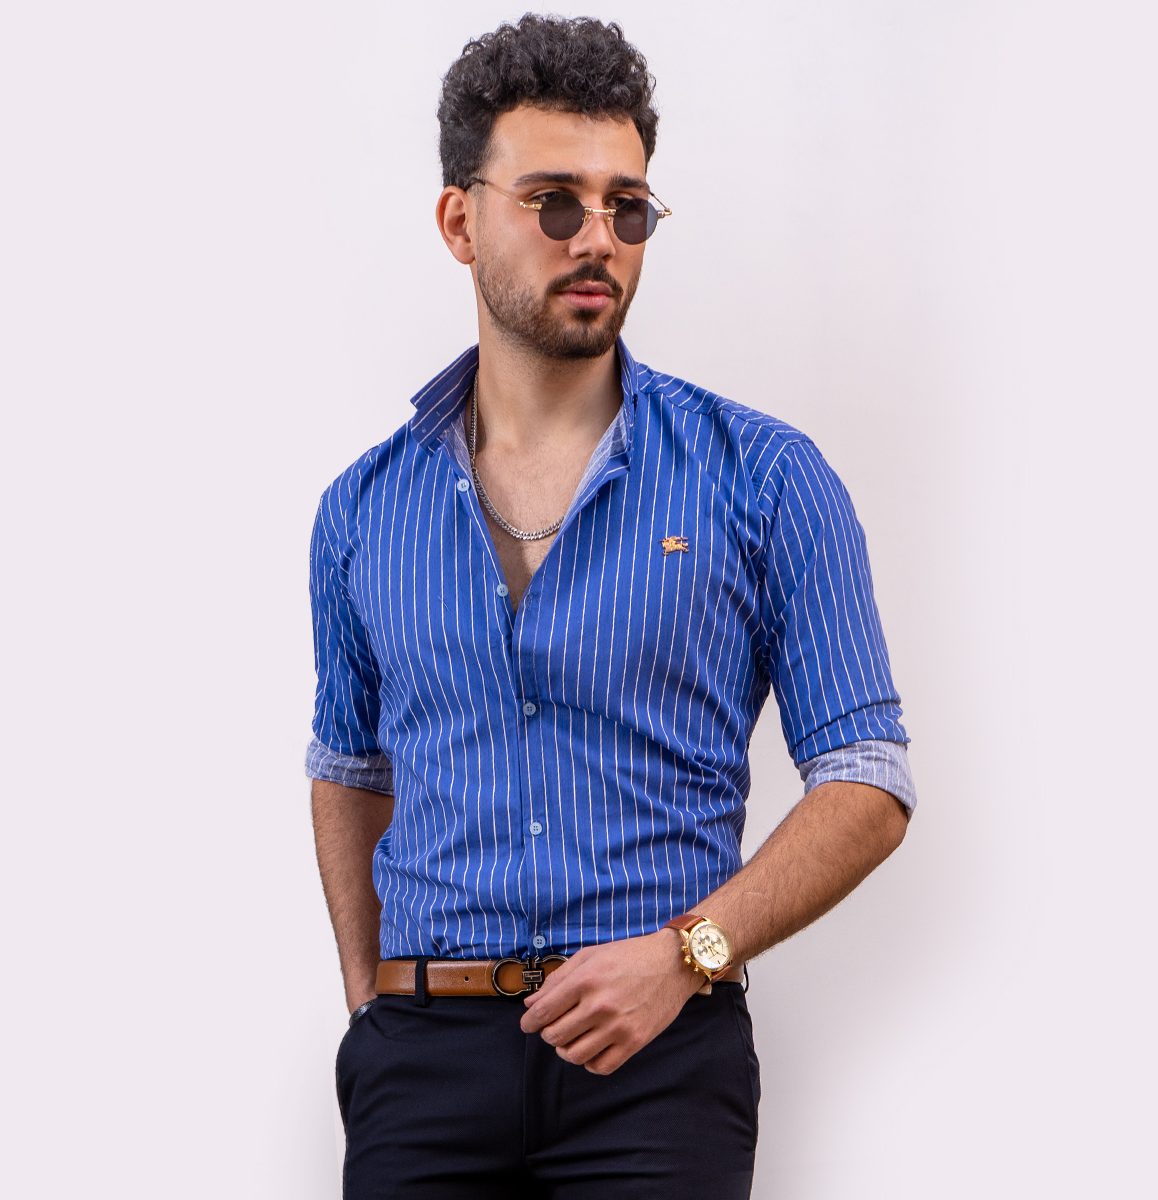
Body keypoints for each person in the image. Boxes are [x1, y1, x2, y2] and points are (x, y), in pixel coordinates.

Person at [307, 15, 916, 1199]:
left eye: (627, 208)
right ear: (459, 221)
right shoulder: (362, 509)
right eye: (554, 203)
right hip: (422, 1062)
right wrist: (370, 1002)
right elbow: (350, 765)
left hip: (659, 1059)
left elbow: (868, 779)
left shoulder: (764, 479)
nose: (599, 239)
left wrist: (688, 956)